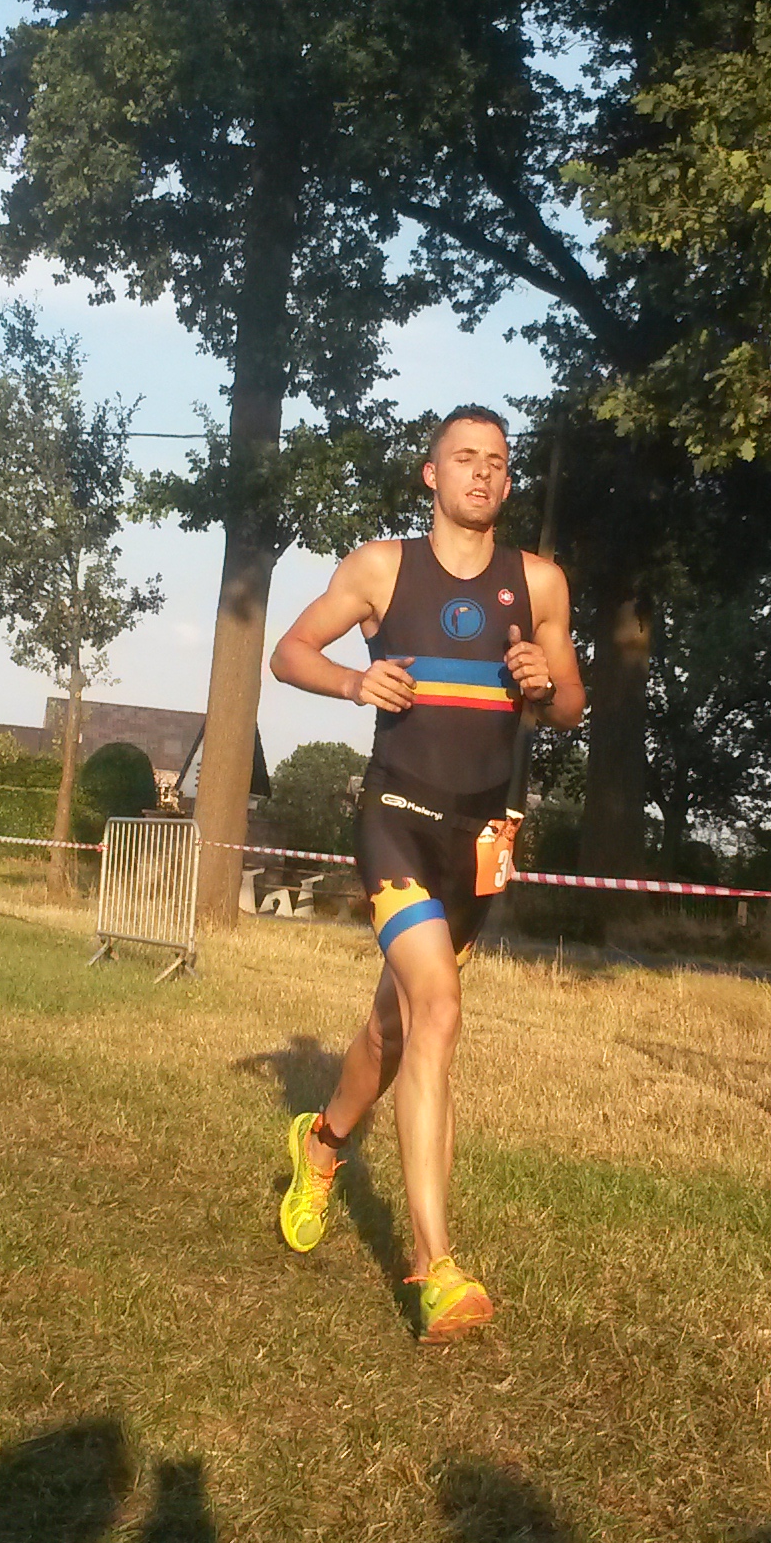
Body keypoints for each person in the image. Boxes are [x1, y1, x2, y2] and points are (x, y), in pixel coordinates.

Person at [268, 406, 583, 1340]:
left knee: (394, 1025)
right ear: (430, 475)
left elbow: (572, 704)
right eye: (464, 459)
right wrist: (353, 681)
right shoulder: (381, 568)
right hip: (396, 818)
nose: (482, 474)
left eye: (497, 462)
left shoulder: (540, 582)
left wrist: (545, 682)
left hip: (482, 837)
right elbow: (290, 652)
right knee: (438, 1009)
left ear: (507, 481)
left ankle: (323, 1142)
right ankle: (434, 1265)